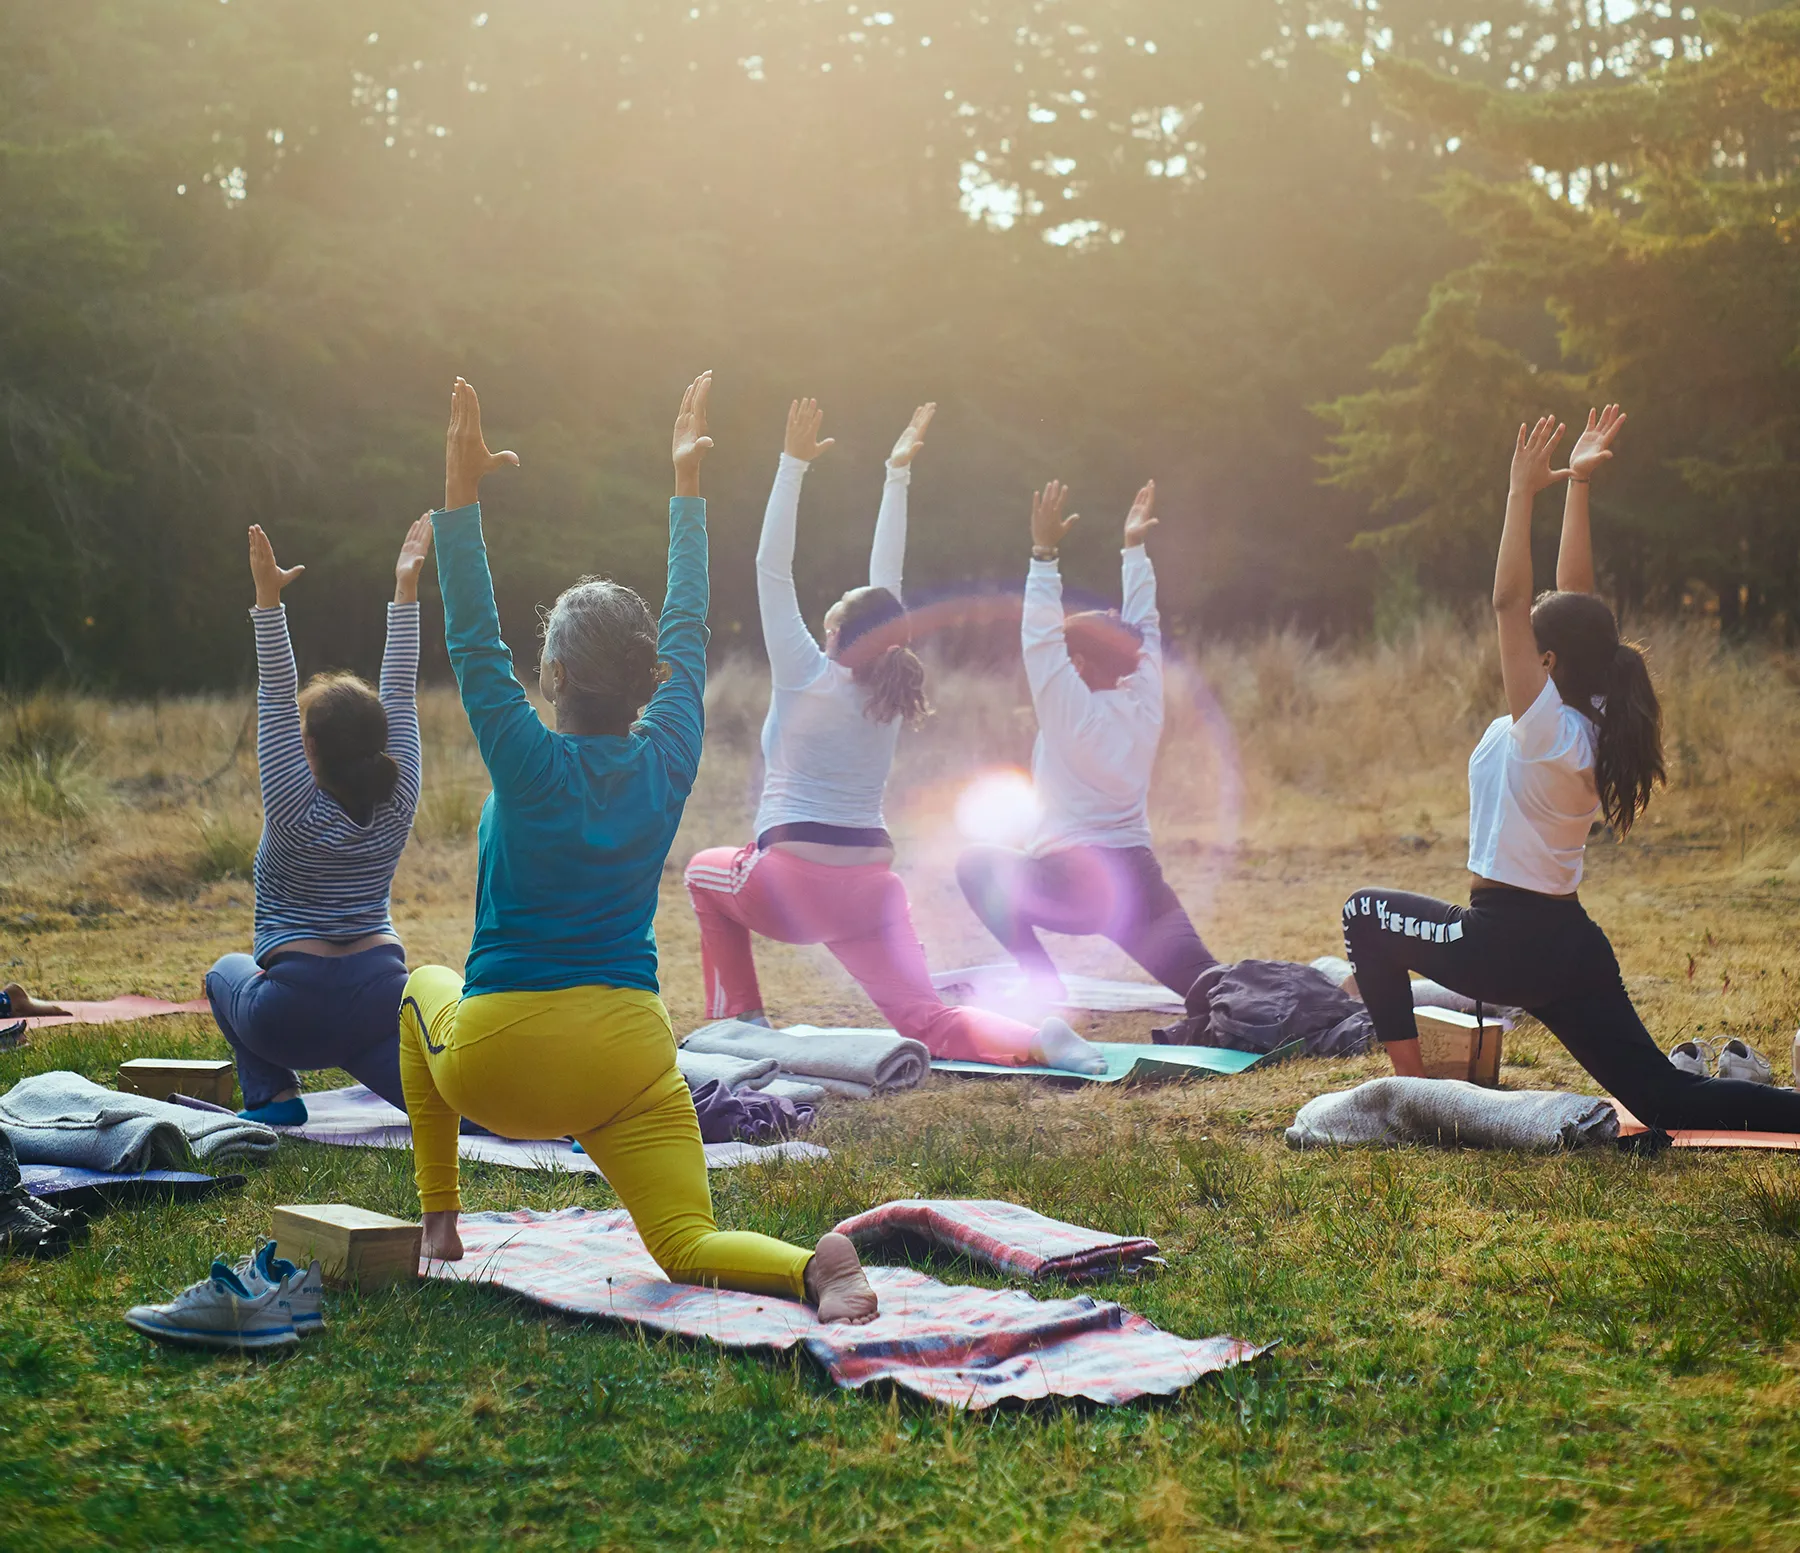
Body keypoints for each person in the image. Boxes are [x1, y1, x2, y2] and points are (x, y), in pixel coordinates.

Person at [399, 375, 876, 1322]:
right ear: (647, 675)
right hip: (629, 1056)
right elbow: (690, 633)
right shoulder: (667, 759)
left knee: (419, 982)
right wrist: (686, 493)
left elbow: (470, 637)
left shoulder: (526, 758)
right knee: (684, 1244)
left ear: (558, 675)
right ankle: (812, 1268)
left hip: (502, 1064)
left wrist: (461, 498)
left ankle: (439, 1219)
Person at [1342, 407, 1800, 1132]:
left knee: (1362, 914)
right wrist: (1578, 486)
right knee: (1666, 1100)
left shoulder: (1548, 728)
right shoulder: (1586, 712)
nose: (1522, 640)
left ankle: (1420, 1098)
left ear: (1546, 660)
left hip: (1502, 943)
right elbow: (1574, 597)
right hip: (1567, 945)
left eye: (1533, 640)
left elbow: (1507, 601)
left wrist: (1521, 493)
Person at [683, 399, 1107, 1074]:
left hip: (788, 884)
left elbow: (772, 564)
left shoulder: (805, 673)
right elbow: (890, 584)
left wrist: (792, 464)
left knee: (702, 874)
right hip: (871, 888)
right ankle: (1043, 1038)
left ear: (832, 631)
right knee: (926, 1017)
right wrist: (896, 475)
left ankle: (742, 1021)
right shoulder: (887, 687)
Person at [956, 478, 1218, 1010]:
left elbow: (1038, 639)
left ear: (1076, 665)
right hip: (1138, 886)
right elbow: (1146, 626)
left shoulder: (1067, 711)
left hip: (1069, 885)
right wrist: (1134, 551)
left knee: (975, 864)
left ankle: (1041, 982)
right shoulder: (1145, 700)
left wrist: (1044, 554)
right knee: (1214, 987)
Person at [204, 516, 431, 1125]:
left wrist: (268, 598)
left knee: (222, 973)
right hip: (383, 998)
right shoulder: (400, 793)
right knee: (435, 1097)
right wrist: (406, 590)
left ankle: (275, 1098)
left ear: (305, 748)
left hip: (292, 1014)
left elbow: (276, 692)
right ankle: (507, 1111)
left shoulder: (290, 806)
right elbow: (402, 690)